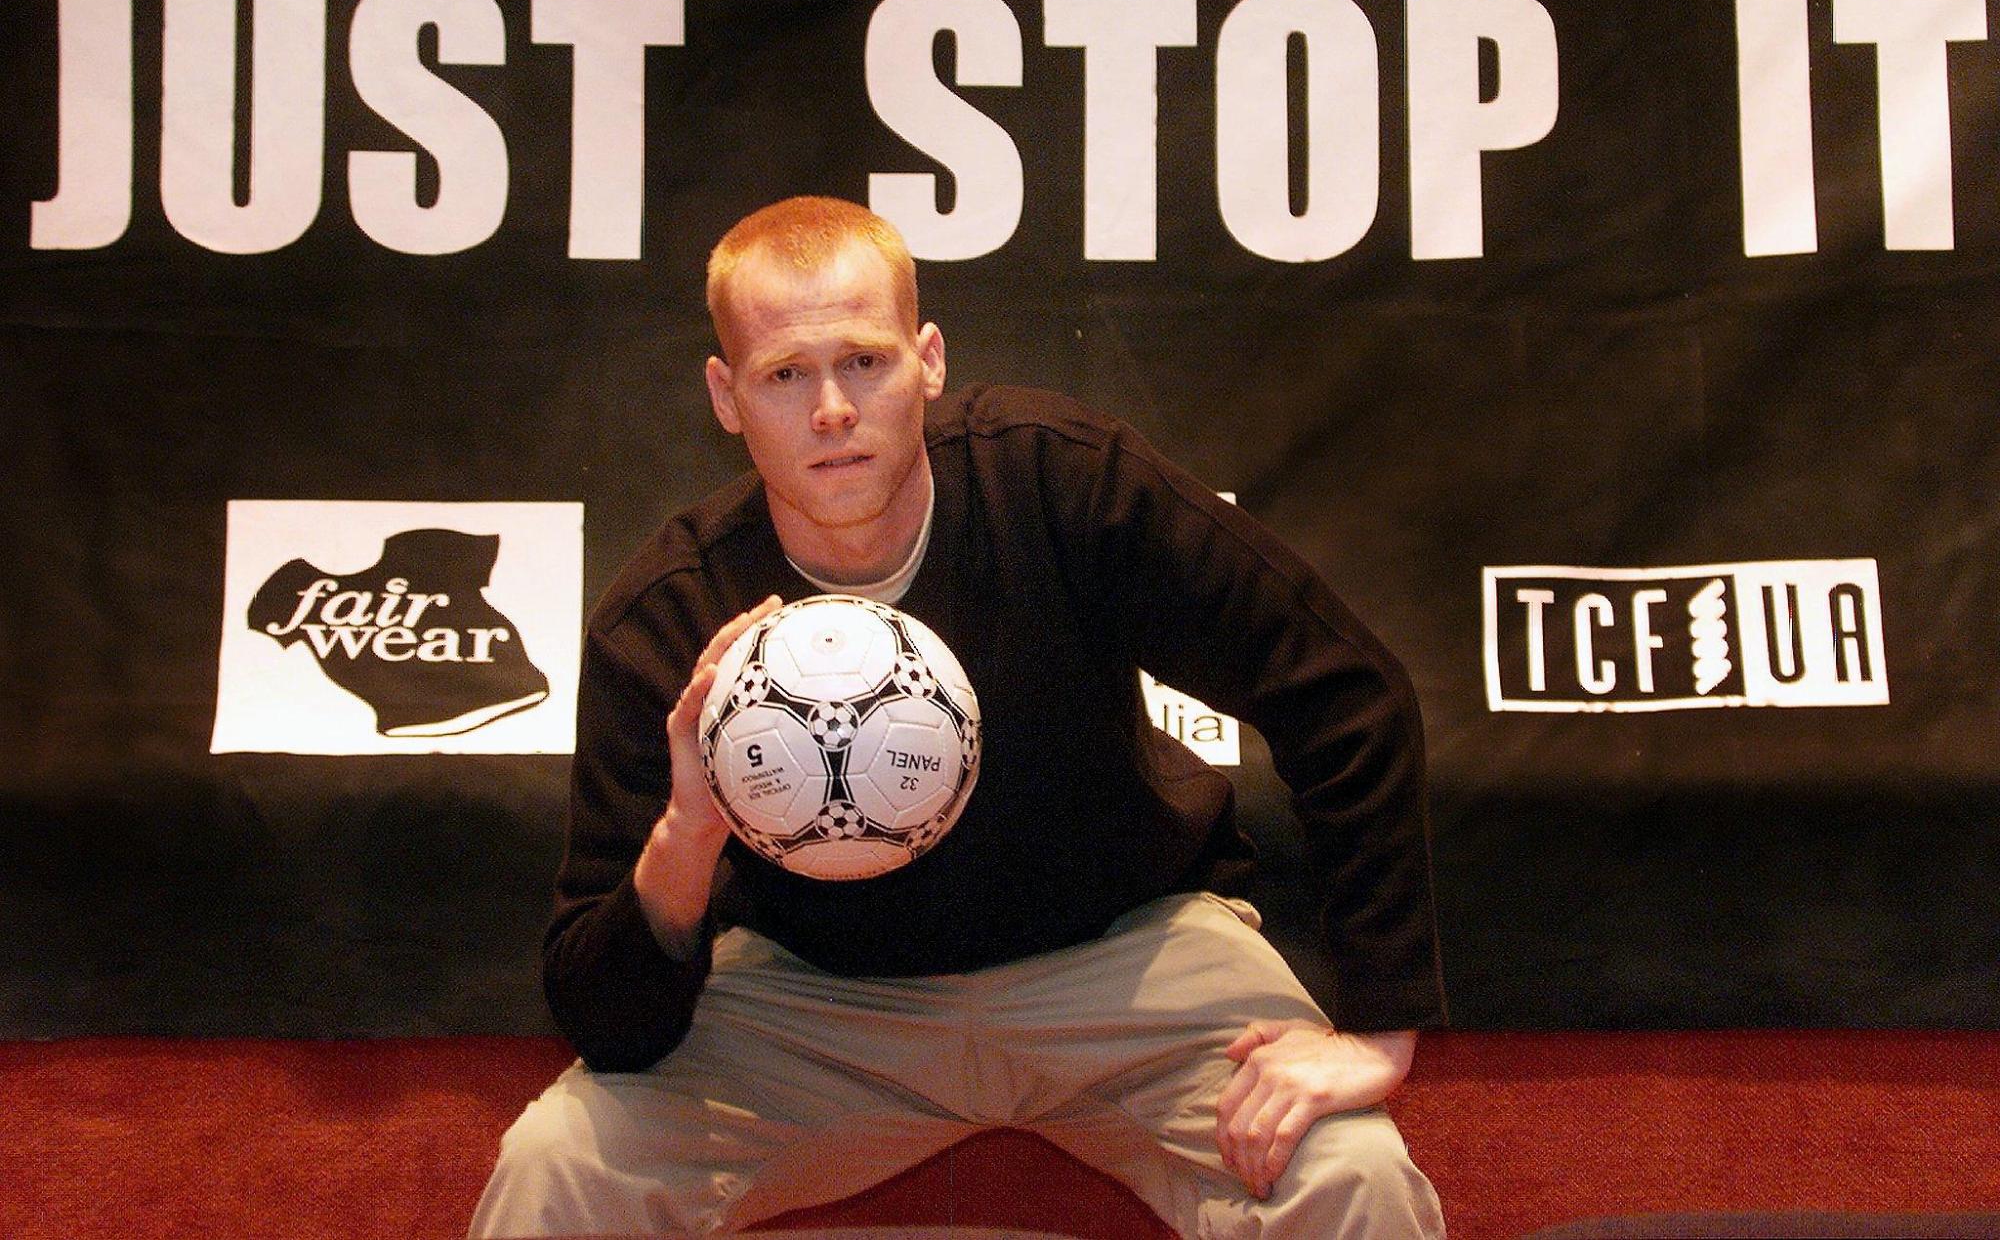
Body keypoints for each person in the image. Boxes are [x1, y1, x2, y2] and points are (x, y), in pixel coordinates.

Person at [470, 196, 1447, 1239]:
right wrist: (690, 829)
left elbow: (1343, 689)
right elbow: (606, 1020)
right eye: (784, 375)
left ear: (927, 359)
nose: (832, 410)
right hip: (816, 995)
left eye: (864, 361)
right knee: (555, 1166)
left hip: (1125, 956)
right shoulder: (670, 617)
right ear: (725, 393)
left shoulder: (1058, 483)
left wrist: (1380, 1028)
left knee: (1350, 1175)